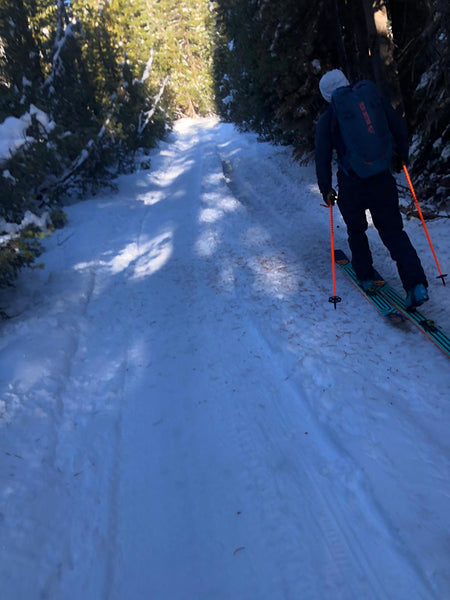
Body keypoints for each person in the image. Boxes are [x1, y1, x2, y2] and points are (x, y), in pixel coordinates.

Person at [315, 69, 429, 308]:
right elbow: (397, 125)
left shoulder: (329, 116)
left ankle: (366, 277)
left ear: (326, 94)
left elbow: (323, 156)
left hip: (352, 183)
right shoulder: (371, 100)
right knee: (393, 232)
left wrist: (326, 188)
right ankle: (416, 285)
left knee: (356, 231)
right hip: (382, 178)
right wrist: (401, 157)